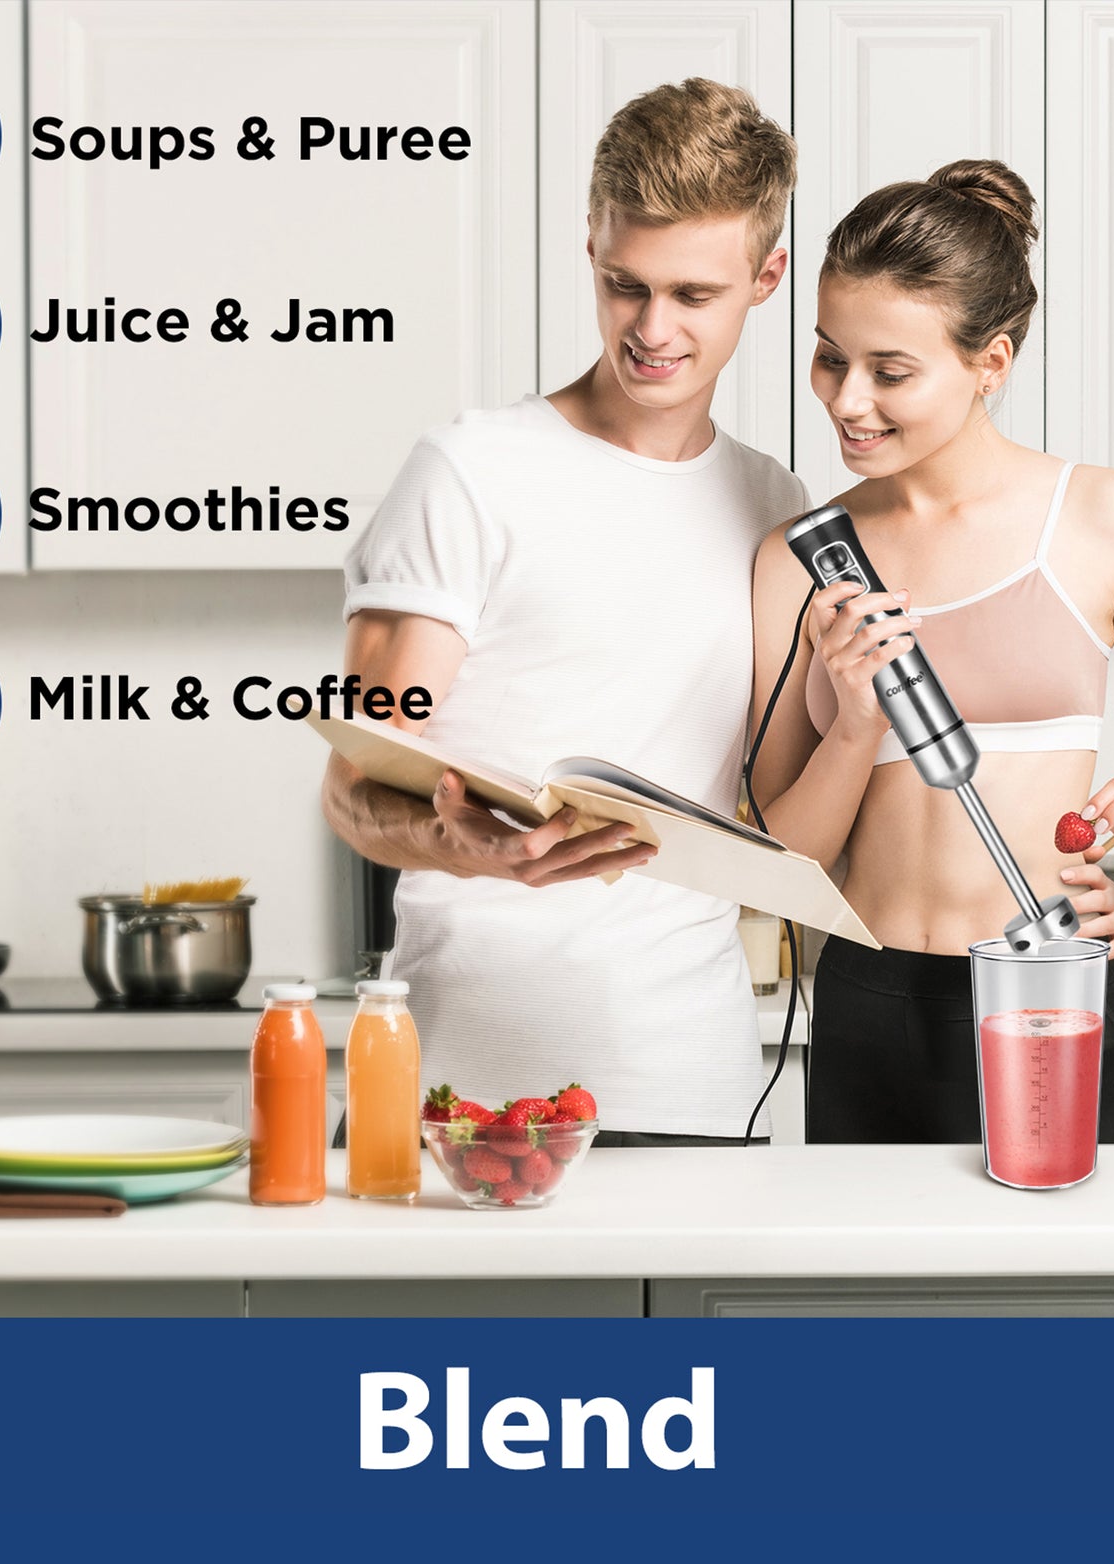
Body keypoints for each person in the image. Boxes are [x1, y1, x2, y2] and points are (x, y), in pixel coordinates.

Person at [323, 81, 806, 1142]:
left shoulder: (777, 510)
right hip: (458, 1090)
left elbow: (800, 803)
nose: (651, 329)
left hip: (689, 1086)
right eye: (621, 284)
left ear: (765, 277)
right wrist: (472, 849)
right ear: (588, 241)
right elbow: (354, 786)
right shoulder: (469, 473)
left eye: (692, 294)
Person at [749, 159, 1114, 1146]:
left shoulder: (1102, 518)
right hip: (870, 993)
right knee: (870, 1304)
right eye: (826, 357)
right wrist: (853, 723)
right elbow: (782, 859)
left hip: (1053, 984)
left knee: (1077, 1298)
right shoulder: (799, 556)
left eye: (890, 372)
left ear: (991, 361)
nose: (846, 399)